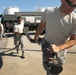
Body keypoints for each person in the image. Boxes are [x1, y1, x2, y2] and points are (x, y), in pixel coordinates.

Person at [34, 0, 76, 75]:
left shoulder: (74, 19)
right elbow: (42, 25)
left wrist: (59, 48)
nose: (73, 8)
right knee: (48, 69)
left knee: (55, 71)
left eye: (75, 6)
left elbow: (73, 40)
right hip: (47, 47)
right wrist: (36, 36)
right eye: (71, 4)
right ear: (62, 0)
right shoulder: (49, 12)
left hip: (61, 50)